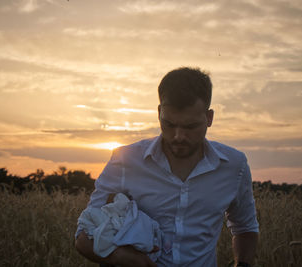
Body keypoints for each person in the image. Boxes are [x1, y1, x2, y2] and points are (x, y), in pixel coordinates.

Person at [75, 67, 259, 267]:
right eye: (169, 124)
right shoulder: (124, 160)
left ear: (209, 118)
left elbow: (245, 228)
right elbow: (83, 236)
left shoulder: (234, 166)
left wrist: (243, 264)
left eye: (190, 127)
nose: (179, 136)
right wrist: (124, 259)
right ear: (158, 112)